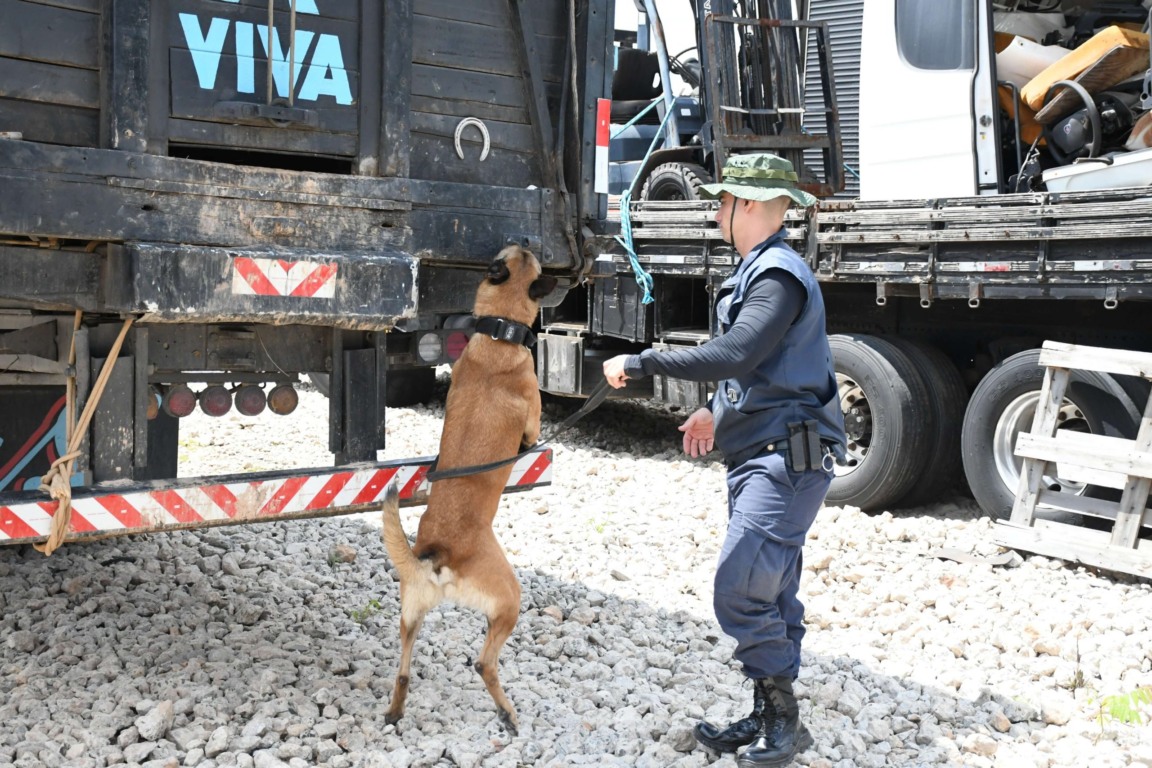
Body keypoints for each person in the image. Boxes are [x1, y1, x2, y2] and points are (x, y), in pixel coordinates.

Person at [602, 153, 846, 768]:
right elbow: (763, 368)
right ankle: (773, 713)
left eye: (723, 201)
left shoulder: (777, 276)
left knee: (738, 587)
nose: (715, 211)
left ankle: (782, 723)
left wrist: (644, 360)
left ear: (753, 206)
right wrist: (716, 409)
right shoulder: (757, 271)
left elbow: (738, 350)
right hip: (762, 453)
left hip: (786, 459)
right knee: (771, 587)